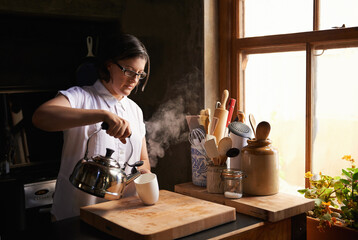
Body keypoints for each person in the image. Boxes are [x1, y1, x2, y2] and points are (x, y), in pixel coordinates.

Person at [32, 34, 151, 221]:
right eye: (128, 71)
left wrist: (145, 175)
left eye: (139, 74)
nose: (134, 80)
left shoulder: (135, 110)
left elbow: (142, 160)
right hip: (76, 216)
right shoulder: (81, 97)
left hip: (122, 218)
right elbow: (41, 117)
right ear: (109, 65)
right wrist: (102, 115)